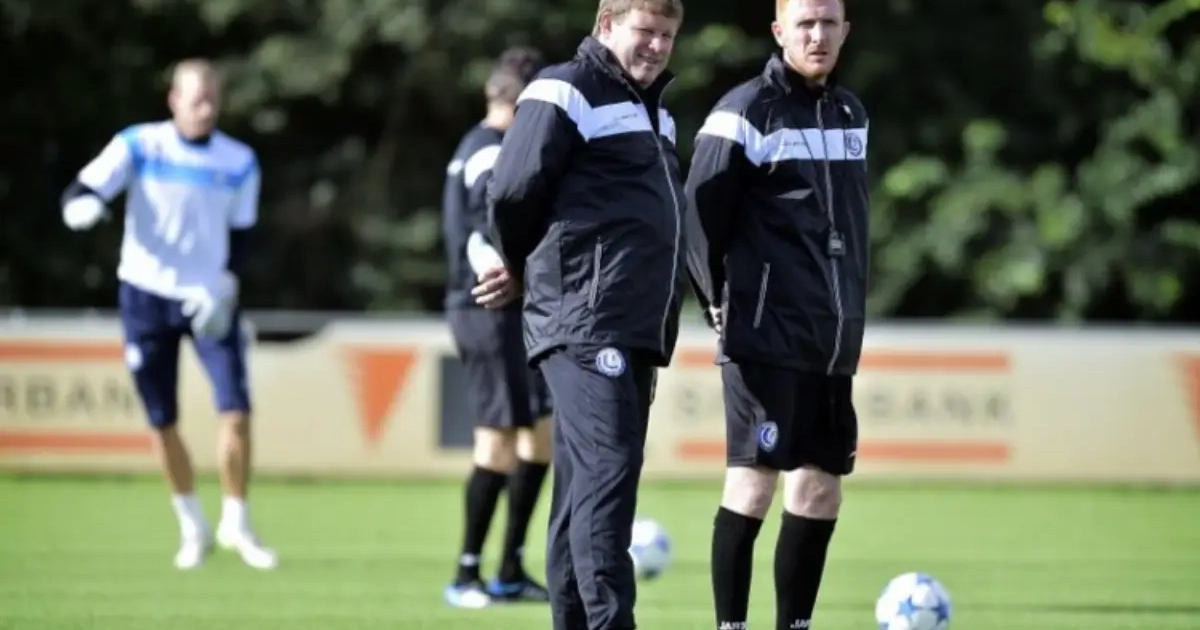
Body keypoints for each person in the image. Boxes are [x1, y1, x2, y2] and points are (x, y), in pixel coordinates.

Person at [471, 0, 687, 628]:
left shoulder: (657, 113)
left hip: (632, 325)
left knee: (583, 492)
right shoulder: (564, 89)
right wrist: (523, 264)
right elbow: (512, 189)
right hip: (587, 320)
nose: (656, 46)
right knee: (607, 481)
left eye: (667, 35)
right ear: (606, 24)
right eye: (645, 31)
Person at [684, 0, 869, 628]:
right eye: (805, 24)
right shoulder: (743, 111)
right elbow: (697, 215)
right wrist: (715, 298)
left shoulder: (850, 112)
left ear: (845, 30)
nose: (818, 35)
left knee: (821, 487)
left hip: (832, 338)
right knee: (754, 483)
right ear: (778, 32)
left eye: (829, 23)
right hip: (762, 333)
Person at [60, 58, 276, 571]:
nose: (206, 109)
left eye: (213, 100)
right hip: (146, 296)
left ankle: (236, 522)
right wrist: (79, 207)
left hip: (208, 299)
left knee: (236, 411)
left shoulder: (239, 161)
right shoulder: (139, 145)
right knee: (162, 420)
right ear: (174, 100)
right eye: (196, 99)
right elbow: (82, 190)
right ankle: (192, 525)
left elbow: (243, 236)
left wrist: (225, 285)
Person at [439, 46, 554, 609]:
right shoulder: (488, 151)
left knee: (541, 433)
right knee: (499, 437)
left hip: (513, 312)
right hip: (484, 306)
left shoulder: (481, 146)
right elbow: (487, 226)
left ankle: (510, 568)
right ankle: (466, 573)